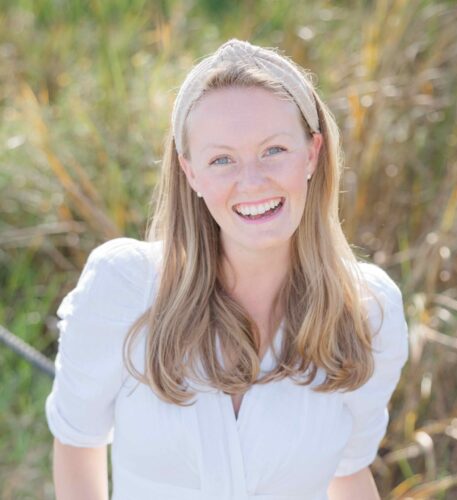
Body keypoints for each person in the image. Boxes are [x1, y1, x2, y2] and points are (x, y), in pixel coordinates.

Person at [45, 38, 409, 500]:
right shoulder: (125, 286)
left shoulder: (370, 310)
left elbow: (349, 475)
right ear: (190, 172)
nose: (252, 180)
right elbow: (78, 442)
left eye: (274, 150)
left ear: (312, 153)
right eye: (222, 159)